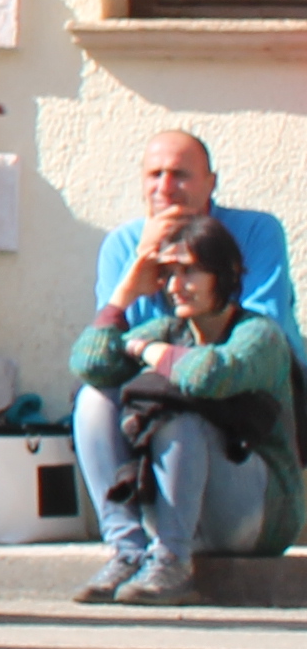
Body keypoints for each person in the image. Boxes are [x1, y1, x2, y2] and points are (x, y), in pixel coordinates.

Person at [69, 216, 301, 605]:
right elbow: (89, 363)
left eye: (190, 271)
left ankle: (173, 562)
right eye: (168, 273)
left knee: (180, 414)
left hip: (256, 516)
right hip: (184, 509)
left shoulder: (259, 335)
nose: (175, 286)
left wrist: (145, 352)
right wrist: (123, 295)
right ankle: (127, 551)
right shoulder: (166, 330)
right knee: (93, 399)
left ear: (226, 273)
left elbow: (206, 376)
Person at [92, 132, 297, 345]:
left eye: (179, 175)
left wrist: (164, 356)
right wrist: (141, 257)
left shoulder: (256, 231)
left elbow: (264, 332)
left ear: (211, 183)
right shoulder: (121, 244)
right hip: (149, 369)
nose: (165, 188)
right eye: (155, 175)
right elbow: (108, 342)